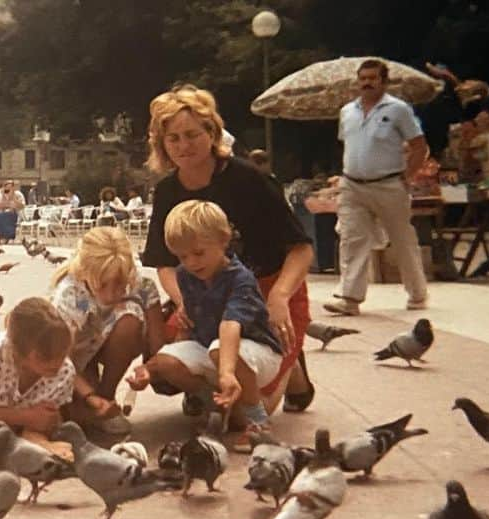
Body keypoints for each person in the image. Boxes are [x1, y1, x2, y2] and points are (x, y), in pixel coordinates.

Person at [141, 83, 316, 415]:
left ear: (212, 132)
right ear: (162, 145)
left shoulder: (249, 179)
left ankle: (290, 372)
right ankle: (215, 388)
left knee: (253, 408)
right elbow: (164, 263)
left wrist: (279, 297)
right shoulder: (166, 191)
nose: (183, 146)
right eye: (173, 138)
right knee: (164, 373)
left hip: (264, 290)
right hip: (205, 296)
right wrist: (183, 301)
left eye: (192, 134)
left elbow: (301, 248)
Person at [130, 200, 283, 446]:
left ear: (224, 240)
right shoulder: (185, 275)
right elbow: (189, 324)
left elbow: (230, 326)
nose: (191, 262)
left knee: (218, 349)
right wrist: (150, 370)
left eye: (198, 253)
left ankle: (258, 421)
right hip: (213, 349)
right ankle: (215, 404)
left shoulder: (240, 278)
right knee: (167, 359)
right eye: (182, 256)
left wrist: (226, 372)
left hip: (256, 353)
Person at [325, 58, 430, 316]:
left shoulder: (398, 109)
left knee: (402, 240)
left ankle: (417, 294)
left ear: (384, 81)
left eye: (373, 78)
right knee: (351, 239)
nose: (367, 83)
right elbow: (348, 144)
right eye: (363, 78)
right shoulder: (347, 111)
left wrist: (408, 176)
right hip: (352, 185)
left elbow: (419, 146)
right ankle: (350, 298)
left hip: (389, 184)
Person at [50, 227, 165, 434]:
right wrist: (87, 395)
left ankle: (106, 397)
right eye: (102, 285)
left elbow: (158, 345)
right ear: (86, 272)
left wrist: (150, 371)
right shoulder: (69, 293)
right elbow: (59, 360)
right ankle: (91, 405)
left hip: (102, 344)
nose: (112, 294)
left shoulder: (140, 283)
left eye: (120, 284)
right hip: (71, 360)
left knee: (130, 315)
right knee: (64, 416)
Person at [0, 297, 76, 454]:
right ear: (25, 354)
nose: (59, 364)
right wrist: (25, 416)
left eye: (63, 354)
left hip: (30, 421)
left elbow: (53, 418)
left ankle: (29, 441)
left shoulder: (64, 371)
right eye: (49, 359)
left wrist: (45, 420)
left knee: (50, 426)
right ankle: (25, 442)